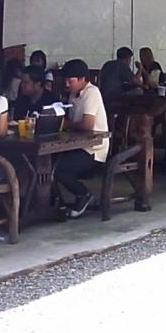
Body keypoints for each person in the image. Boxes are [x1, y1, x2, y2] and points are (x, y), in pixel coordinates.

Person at [53, 59, 109, 219]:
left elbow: (87, 124)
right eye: (65, 80)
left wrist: (65, 124)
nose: (67, 84)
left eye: (70, 81)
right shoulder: (73, 95)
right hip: (78, 145)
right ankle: (57, 201)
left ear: (82, 79)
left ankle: (83, 194)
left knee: (59, 170)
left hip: (94, 149)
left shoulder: (92, 92)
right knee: (49, 163)